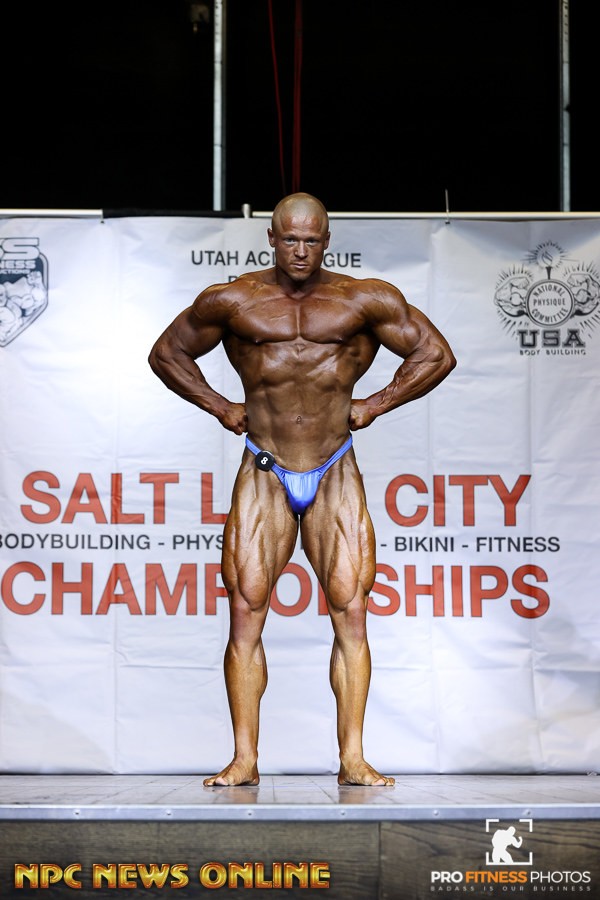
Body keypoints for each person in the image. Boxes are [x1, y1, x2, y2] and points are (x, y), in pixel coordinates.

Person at [148, 193, 456, 786]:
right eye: (290, 239)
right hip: (264, 468)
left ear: (327, 241)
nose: (300, 250)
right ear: (271, 237)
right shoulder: (233, 300)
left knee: (351, 610)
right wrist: (219, 406)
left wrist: (377, 403)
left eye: (312, 240)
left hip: (333, 466)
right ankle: (244, 759)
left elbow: (435, 354)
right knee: (246, 611)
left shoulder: (364, 298)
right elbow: (167, 354)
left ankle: (353, 758)